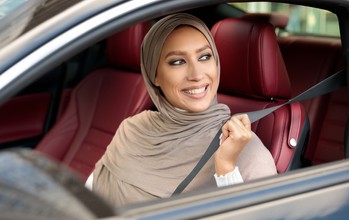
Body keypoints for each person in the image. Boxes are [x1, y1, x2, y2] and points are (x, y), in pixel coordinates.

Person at [90, 13, 277, 206]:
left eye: (205, 57)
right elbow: (90, 196)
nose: (196, 75)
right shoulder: (132, 130)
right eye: (178, 61)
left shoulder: (247, 150)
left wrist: (226, 168)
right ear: (154, 74)